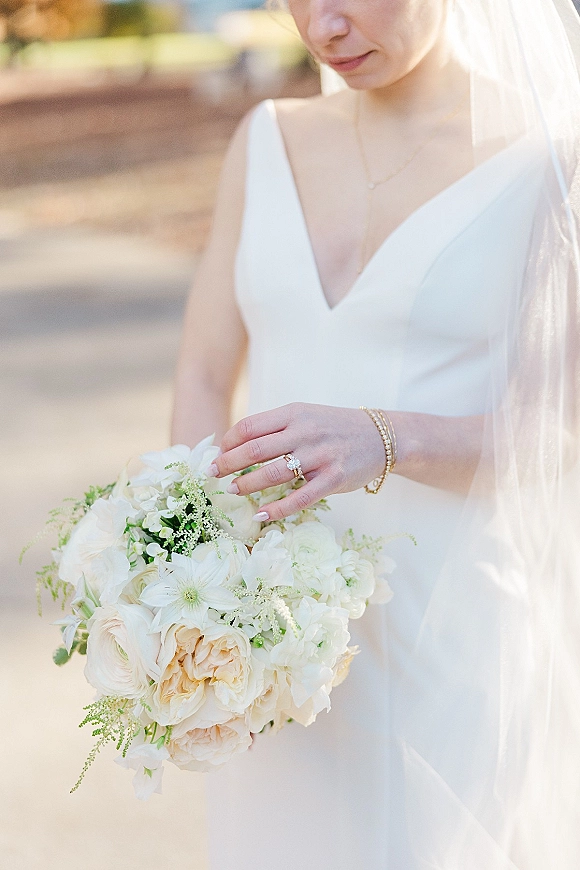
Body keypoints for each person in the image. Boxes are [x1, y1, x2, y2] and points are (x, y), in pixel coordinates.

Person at [172, 0, 580, 867]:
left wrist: (384, 437)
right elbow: (206, 372)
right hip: (271, 645)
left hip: (448, 634)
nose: (323, 28)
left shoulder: (550, 158)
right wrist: (188, 562)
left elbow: (561, 430)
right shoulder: (267, 136)